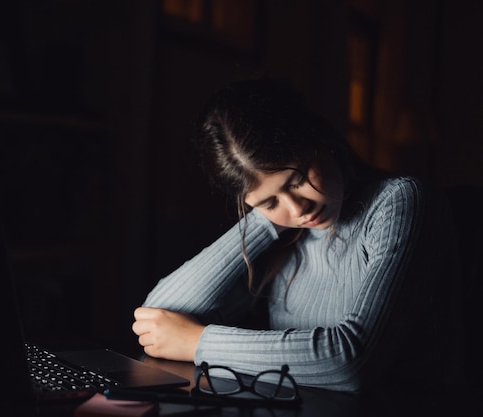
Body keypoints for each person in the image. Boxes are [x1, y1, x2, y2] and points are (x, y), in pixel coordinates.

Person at [131, 77, 463, 395]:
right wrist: (264, 222)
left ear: (320, 139)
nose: (299, 208)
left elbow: (352, 361)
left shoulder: (401, 200)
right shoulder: (287, 230)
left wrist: (196, 343)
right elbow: (157, 317)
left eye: (298, 179)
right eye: (269, 201)